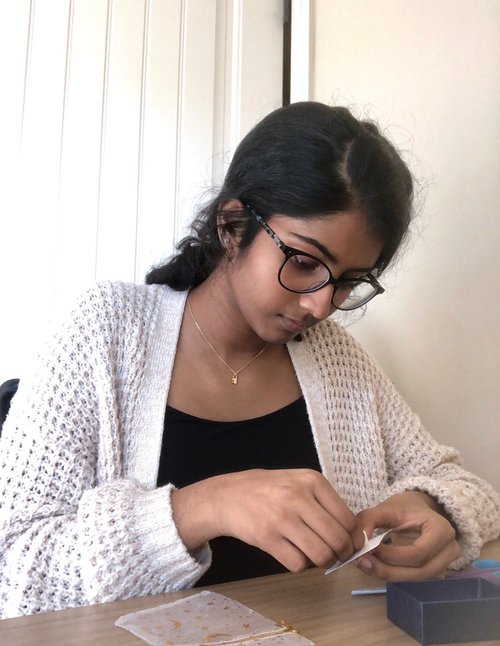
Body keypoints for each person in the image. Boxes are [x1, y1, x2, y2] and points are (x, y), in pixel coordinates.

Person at [0, 102, 498, 619]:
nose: (321, 305)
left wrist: (431, 506)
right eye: (303, 262)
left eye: (349, 282)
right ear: (233, 225)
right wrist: (203, 507)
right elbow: (13, 566)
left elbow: (463, 486)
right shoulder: (106, 333)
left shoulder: (335, 360)